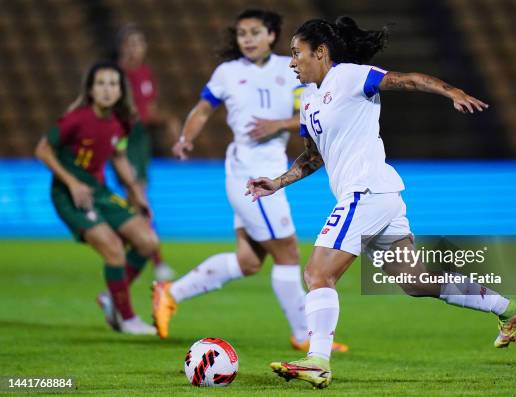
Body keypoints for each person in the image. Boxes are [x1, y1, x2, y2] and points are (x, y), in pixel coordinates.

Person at [246, 17, 516, 389]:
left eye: (296, 53)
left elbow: (408, 79)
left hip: (365, 192)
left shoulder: (350, 76)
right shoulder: (309, 102)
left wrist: (451, 92)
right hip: (379, 198)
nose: (291, 63)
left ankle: (318, 359)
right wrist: (279, 182)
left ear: (321, 52)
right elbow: (313, 157)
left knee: (318, 273)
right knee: (415, 282)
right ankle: (509, 310)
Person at [152, 9, 348, 353]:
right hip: (251, 175)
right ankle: (304, 334)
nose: (247, 39)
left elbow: (308, 111)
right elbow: (202, 109)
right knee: (287, 253)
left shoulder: (290, 69)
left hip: (268, 168)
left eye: (255, 32)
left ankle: (170, 293)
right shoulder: (227, 73)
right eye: (242, 33)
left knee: (248, 262)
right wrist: (186, 138)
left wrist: (278, 125)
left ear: (271, 35)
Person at [35, 61, 159, 335]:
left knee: (148, 242)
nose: (106, 89)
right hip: (70, 195)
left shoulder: (121, 121)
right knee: (114, 248)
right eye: (100, 83)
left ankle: (110, 297)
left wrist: (138, 194)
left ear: (120, 90)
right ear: (90, 89)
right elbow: (43, 150)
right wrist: (73, 183)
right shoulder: (76, 119)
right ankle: (126, 318)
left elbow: (119, 154)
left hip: (101, 192)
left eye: (112, 84)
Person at [115, 23, 180, 281]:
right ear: (122, 48)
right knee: (138, 197)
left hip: (140, 140)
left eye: (139, 44)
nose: (135, 49)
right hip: (122, 139)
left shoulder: (144, 73)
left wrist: (167, 120)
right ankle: (156, 260)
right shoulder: (115, 76)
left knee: (136, 200)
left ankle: (129, 253)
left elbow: (147, 111)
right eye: (130, 44)